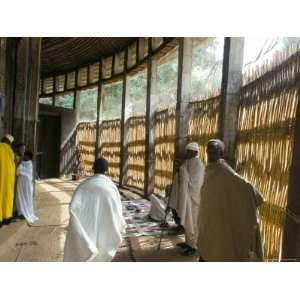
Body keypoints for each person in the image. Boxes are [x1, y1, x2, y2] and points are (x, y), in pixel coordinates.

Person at [197, 139, 264, 262]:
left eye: (214, 152)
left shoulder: (225, 171)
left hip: (218, 218)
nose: (210, 154)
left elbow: (245, 185)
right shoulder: (209, 169)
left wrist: (256, 196)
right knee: (208, 245)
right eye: (208, 151)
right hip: (208, 218)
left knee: (217, 247)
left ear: (221, 153)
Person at [64, 157, 126, 262]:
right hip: (106, 227)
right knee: (103, 245)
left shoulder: (83, 186)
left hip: (87, 228)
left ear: (93, 169)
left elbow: (73, 208)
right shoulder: (111, 187)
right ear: (106, 170)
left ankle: (88, 250)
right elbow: (117, 210)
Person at [168, 142, 205, 256]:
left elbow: (196, 183)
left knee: (192, 222)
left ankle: (193, 247)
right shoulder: (188, 162)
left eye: (190, 151)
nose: (187, 153)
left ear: (195, 152)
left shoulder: (198, 164)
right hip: (187, 197)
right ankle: (188, 243)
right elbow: (182, 177)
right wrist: (180, 170)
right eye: (187, 151)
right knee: (188, 222)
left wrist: (182, 171)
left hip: (194, 199)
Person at [15, 151, 39, 224]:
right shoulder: (23, 163)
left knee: (25, 197)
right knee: (20, 197)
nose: (24, 156)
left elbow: (20, 171)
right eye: (24, 155)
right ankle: (20, 212)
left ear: (28, 157)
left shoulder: (29, 164)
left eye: (25, 155)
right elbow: (18, 172)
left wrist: (19, 166)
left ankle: (24, 212)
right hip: (21, 184)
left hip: (26, 185)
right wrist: (20, 167)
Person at [0, 134, 16, 226]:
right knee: (7, 197)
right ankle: (7, 217)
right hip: (9, 179)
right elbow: (15, 163)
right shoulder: (11, 151)